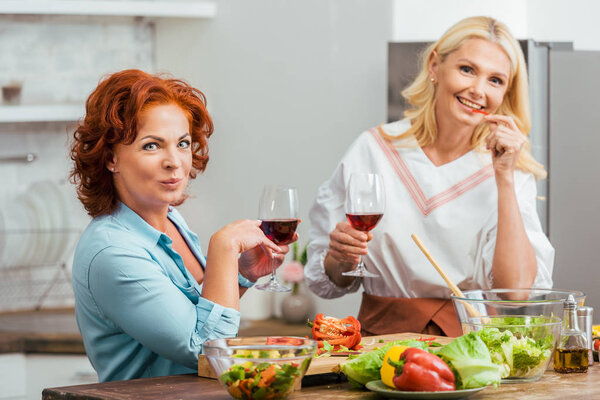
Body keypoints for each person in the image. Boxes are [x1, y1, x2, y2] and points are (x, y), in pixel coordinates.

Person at [304, 16, 554, 337]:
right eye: (467, 69)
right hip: (378, 342)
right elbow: (333, 283)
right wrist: (339, 257)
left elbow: (515, 294)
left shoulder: (509, 168)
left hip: (473, 347)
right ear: (435, 66)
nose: (478, 90)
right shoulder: (374, 149)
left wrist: (504, 177)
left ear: (506, 93)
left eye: (495, 80)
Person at [70, 69, 292, 382]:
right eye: (152, 146)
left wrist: (240, 273)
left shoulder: (171, 219)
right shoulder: (112, 252)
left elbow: (197, 319)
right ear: (111, 159)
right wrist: (223, 248)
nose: (175, 161)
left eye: (183, 143)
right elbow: (206, 351)